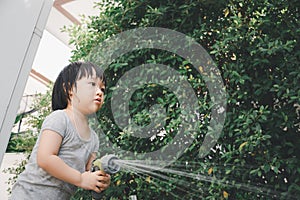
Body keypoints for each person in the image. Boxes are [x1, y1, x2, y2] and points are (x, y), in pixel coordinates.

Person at [11, 61, 110, 199]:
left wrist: (97, 179)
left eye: (102, 89)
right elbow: (45, 158)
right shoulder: (59, 118)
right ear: (69, 89)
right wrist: (81, 179)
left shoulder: (93, 138)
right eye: (92, 85)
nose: (99, 92)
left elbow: (87, 172)